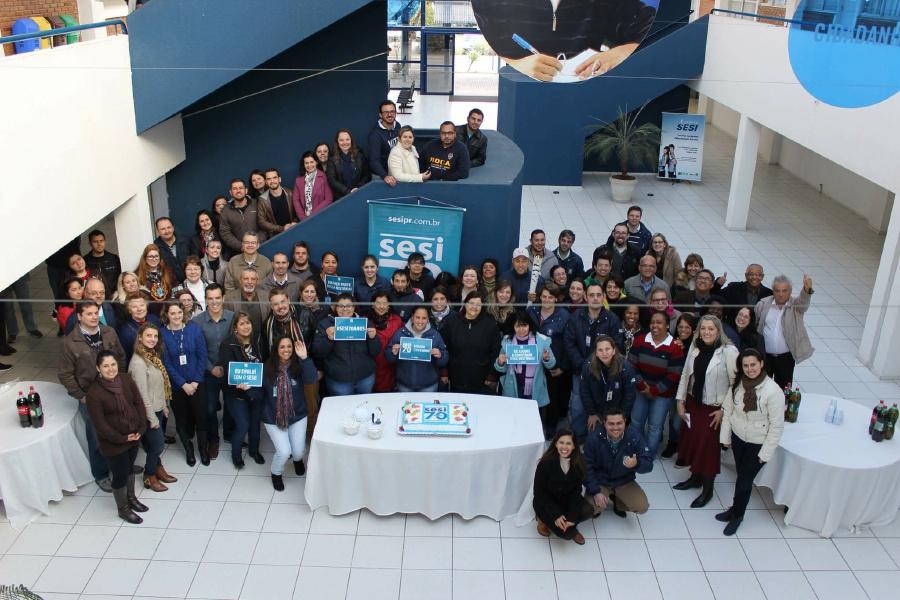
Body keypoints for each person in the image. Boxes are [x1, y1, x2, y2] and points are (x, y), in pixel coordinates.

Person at [470, 0, 656, 81]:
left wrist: (623, 51)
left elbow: (649, 24)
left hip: (581, 99)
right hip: (520, 100)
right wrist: (517, 65)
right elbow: (487, 36)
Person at [58, 301, 125, 492]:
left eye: (96, 313)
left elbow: (120, 356)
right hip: (90, 396)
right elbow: (65, 374)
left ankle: (120, 465)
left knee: (118, 428)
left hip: (114, 391)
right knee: (97, 437)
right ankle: (101, 474)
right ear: (79, 316)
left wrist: (120, 381)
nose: (94, 317)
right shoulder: (70, 342)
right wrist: (81, 396)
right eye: (89, 314)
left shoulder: (109, 332)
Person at [673, 315, 739, 508]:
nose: (706, 332)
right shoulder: (695, 347)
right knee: (694, 442)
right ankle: (695, 478)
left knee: (708, 449)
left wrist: (724, 410)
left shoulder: (729, 352)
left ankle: (708, 489)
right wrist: (680, 400)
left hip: (713, 409)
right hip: (694, 403)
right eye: (703, 328)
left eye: (711, 329)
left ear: (718, 331)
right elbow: (686, 375)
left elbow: (736, 384)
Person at [719, 348, 785, 535]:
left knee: (744, 480)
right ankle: (734, 509)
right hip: (739, 438)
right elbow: (728, 411)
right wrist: (725, 438)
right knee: (741, 476)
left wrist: (765, 454)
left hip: (757, 443)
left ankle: (737, 515)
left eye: (753, 364)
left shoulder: (773, 391)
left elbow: (777, 427)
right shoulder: (738, 384)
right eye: (746, 365)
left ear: (761, 364)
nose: (750, 369)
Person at [86, 351, 149, 523]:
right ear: (98, 368)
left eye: (113, 364)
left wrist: (141, 427)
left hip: (134, 435)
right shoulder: (94, 393)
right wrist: (122, 438)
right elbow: (100, 425)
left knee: (129, 469)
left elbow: (138, 403)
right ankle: (123, 509)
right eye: (105, 366)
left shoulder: (126, 379)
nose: (110, 369)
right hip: (114, 442)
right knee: (120, 475)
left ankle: (132, 498)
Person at [564, 282, 624, 442]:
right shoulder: (575, 317)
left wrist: (600, 365)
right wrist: (584, 365)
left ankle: (599, 440)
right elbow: (569, 343)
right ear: (585, 296)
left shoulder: (612, 319)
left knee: (602, 406)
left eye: (598, 295)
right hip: (580, 371)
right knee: (577, 406)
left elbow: (617, 345)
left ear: (603, 297)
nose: (595, 298)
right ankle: (577, 438)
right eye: (592, 295)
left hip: (605, 373)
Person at [262, 336, 319, 490]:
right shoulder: (266, 368)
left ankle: (297, 460)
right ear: (276, 350)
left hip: (297, 415)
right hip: (273, 417)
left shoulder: (299, 365)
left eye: (289, 346)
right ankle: (276, 473)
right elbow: (258, 394)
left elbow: (312, 379)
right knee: (284, 452)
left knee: (299, 452)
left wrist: (305, 358)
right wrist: (248, 388)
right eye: (282, 347)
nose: (286, 350)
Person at [627, 311, 685, 457]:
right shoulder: (640, 340)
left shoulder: (675, 347)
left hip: (663, 395)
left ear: (667, 325)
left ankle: (648, 455)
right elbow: (631, 365)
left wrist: (654, 390)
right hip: (640, 390)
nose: (654, 325)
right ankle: (635, 450)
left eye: (659, 322)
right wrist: (642, 386)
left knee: (655, 426)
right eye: (652, 322)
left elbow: (674, 374)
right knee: (636, 423)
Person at [129, 323, 178, 492]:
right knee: (157, 446)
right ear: (140, 337)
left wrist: (163, 406)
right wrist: (152, 418)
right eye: (148, 336)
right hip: (147, 412)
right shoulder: (138, 362)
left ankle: (158, 469)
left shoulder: (152, 355)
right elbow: (142, 394)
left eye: (155, 336)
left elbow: (158, 385)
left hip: (157, 407)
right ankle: (149, 475)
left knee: (152, 445)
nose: (153, 339)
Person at [160, 302, 210, 467]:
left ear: (184, 313)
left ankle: (203, 450)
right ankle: (189, 450)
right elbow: (166, 363)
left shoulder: (194, 329)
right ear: (167, 315)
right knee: (181, 420)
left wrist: (195, 381)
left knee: (201, 418)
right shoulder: (162, 334)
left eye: (179, 312)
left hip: (197, 383)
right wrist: (182, 384)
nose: (176, 316)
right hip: (177, 386)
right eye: (172, 313)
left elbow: (202, 356)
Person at [583, 408, 653, 518]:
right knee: (588, 510)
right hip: (600, 481)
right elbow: (586, 467)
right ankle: (600, 502)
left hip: (624, 481)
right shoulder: (593, 438)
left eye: (619, 423)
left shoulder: (635, 437)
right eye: (611, 423)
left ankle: (618, 502)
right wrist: (595, 491)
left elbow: (649, 465)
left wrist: (637, 463)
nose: (615, 427)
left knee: (642, 507)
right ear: (604, 423)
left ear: (625, 422)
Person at [192, 284, 234, 461]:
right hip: (208, 372)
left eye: (217, 298)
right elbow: (196, 350)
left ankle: (229, 434)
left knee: (231, 405)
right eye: (210, 298)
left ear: (223, 298)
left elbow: (236, 344)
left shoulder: (233, 317)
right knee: (209, 409)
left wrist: (225, 366)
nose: (214, 302)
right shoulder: (197, 321)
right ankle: (213, 440)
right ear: (205, 300)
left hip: (229, 369)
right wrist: (210, 368)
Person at [218, 311, 266, 468]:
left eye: (248, 323)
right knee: (243, 424)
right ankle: (236, 455)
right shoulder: (227, 344)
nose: (246, 326)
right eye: (242, 323)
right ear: (235, 327)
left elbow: (265, 364)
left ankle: (254, 451)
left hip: (256, 392)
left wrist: (256, 381)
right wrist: (241, 382)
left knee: (255, 424)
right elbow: (228, 370)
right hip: (236, 393)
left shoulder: (258, 341)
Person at [312, 294, 382, 395]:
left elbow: (375, 351)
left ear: (354, 307)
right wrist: (328, 339)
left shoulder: (365, 323)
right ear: (335, 308)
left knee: (364, 403)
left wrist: (373, 338)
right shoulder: (325, 324)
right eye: (341, 306)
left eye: (349, 306)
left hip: (365, 378)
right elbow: (318, 352)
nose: (345, 309)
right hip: (339, 381)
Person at [532, 429, 594, 544]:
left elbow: (576, 491)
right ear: (556, 444)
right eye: (561, 442)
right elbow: (539, 493)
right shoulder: (545, 463)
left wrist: (572, 517)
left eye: (568, 443)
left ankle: (571, 525)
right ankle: (543, 520)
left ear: (574, 446)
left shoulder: (579, 462)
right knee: (567, 534)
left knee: (588, 510)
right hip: (547, 503)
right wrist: (556, 514)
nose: (564, 447)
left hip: (566, 501)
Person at [755, 274, 814, 390]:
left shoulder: (795, 305)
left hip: (785, 358)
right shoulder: (763, 304)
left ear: (790, 291)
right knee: (761, 387)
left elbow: (804, 302)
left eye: (784, 291)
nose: (781, 294)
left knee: (783, 390)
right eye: (777, 291)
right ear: (773, 291)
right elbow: (757, 324)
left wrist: (806, 290)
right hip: (765, 357)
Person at [528, 284, 571, 438]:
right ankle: (534, 426)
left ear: (556, 299)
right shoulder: (531, 311)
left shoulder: (564, 316)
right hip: (532, 363)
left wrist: (563, 367)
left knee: (553, 397)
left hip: (554, 365)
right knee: (533, 395)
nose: (547, 300)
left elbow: (569, 343)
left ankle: (551, 427)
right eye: (544, 296)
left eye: (550, 297)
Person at [441, 291, 501, 393]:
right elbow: (443, 347)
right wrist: (444, 371)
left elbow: (495, 351)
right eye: (471, 303)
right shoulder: (452, 322)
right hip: (456, 378)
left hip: (481, 381)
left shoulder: (490, 325)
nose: (474, 307)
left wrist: (492, 375)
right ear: (465, 304)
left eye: (478, 304)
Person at [495, 311, 556, 405]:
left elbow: (551, 364)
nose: (521, 329)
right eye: (517, 326)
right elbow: (502, 369)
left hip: (534, 387)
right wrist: (500, 362)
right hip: (513, 387)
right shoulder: (507, 341)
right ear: (513, 327)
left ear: (529, 325)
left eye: (524, 325)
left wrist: (546, 359)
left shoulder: (541, 340)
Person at [386, 304, 449, 392]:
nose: (420, 321)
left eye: (424, 318)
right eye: (417, 317)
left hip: (428, 386)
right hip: (405, 385)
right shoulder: (401, 333)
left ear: (428, 319)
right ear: (412, 318)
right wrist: (393, 353)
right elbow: (388, 357)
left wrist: (440, 355)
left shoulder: (435, 335)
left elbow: (444, 360)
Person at [580, 336, 638, 427]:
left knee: (616, 433)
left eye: (607, 349)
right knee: (594, 433)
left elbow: (629, 395)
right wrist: (592, 413)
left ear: (614, 351)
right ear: (596, 353)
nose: (604, 353)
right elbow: (585, 391)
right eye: (600, 350)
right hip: (598, 412)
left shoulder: (626, 367)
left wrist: (622, 416)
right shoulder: (588, 367)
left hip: (618, 412)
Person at [367, 291, 403, 392]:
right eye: (378, 303)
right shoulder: (365, 321)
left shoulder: (397, 320)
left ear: (388, 306)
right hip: (371, 367)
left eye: (384, 303)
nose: (381, 306)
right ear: (373, 305)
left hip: (391, 367)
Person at [220, 179, 266, 255]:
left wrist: (256, 243)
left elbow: (264, 225)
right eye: (235, 189)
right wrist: (241, 246)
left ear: (246, 190)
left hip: (260, 248)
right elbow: (225, 233)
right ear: (231, 192)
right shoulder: (225, 211)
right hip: (239, 252)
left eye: (241, 188)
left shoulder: (257, 204)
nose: (238, 191)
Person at [325, 129, 371, 199]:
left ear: (351, 141)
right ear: (337, 142)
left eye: (347, 139)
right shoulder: (332, 159)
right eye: (341, 140)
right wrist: (347, 191)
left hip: (359, 194)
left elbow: (366, 176)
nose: (345, 142)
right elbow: (332, 180)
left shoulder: (360, 156)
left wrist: (358, 188)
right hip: (341, 198)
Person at [117, 294, 162, 365]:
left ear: (146, 306)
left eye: (142, 305)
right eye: (134, 307)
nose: (139, 309)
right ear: (129, 310)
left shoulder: (155, 320)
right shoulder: (125, 332)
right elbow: (127, 357)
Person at [368, 100, 402, 187]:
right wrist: (385, 176)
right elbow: (374, 161)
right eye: (386, 112)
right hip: (382, 174)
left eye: (392, 111)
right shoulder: (375, 135)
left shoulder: (398, 126)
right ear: (380, 115)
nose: (389, 114)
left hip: (396, 170)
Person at [293, 151, 334, 221]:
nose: (309, 165)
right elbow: (296, 200)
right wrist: (303, 218)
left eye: (311, 162)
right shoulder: (298, 180)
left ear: (316, 162)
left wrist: (312, 215)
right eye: (306, 163)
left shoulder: (323, 176)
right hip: (304, 220)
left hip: (320, 216)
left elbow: (329, 199)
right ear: (303, 164)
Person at [256, 168, 296, 237]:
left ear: (279, 179)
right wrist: (281, 228)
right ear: (266, 182)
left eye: (274, 178)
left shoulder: (290, 193)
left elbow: (297, 211)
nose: (272, 181)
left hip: (294, 230)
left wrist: (294, 223)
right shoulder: (262, 199)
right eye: (269, 179)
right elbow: (262, 222)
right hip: (276, 236)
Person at [83, 230, 121, 300]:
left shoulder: (114, 258)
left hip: (114, 297)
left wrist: (117, 292)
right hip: (94, 298)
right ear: (90, 243)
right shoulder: (85, 261)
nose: (99, 244)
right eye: (95, 242)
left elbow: (120, 278)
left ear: (105, 241)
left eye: (101, 241)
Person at [225, 269, 264, 335]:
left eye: (253, 279)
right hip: (238, 339)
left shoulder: (266, 297)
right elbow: (228, 325)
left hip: (262, 340)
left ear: (257, 281)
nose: (249, 282)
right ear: (240, 281)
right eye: (246, 279)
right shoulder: (229, 299)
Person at [153, 217, 189, 282]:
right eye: (163, 229)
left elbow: (195, 261)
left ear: (173, 228)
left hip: (190, 281)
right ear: (158, 231)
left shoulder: (186, 241)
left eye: (169, 227)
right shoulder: (155, 248)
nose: (167, 231)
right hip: (170, 284)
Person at [297, 279, 328, 344]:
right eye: (306, 291)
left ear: (316, 294)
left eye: (312, 292)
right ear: (301, 294)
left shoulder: (324, 310)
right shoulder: (295, 309)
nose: (309, 295)